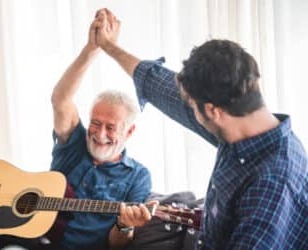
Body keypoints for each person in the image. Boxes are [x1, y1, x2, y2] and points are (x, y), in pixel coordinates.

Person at [93, 8, 308, 249]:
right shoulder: (239, 122)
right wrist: (109, 46)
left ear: (213, 111)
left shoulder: (274, 184)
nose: (189, 111)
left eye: (192, 107)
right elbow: (160, 85)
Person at [49, 13, 156, 250]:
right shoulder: (74, 144)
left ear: (129, 132)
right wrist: (92, 49)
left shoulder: (137, 176)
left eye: (111, 127)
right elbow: (60, 99)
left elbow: (116, 245)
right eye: (95, 123)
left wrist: (125, 226)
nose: (100, 134)